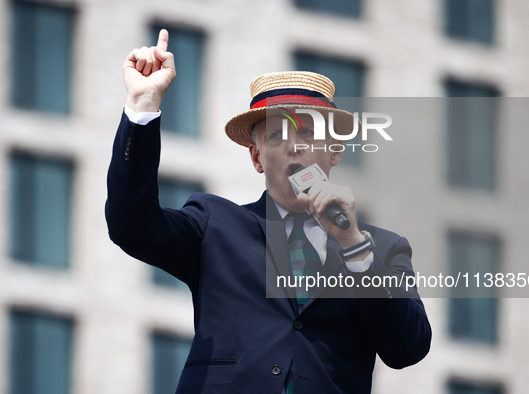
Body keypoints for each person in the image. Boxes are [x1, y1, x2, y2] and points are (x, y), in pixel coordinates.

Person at [106, 29, 431, 393]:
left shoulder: (381, 249)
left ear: (335, 151)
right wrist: (142, 106)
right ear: (257, 156)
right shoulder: (215, 225)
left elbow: (409, 348)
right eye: (276, 135)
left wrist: (354, 246)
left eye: (307, 131)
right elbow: (130, 226)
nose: (294, 146)